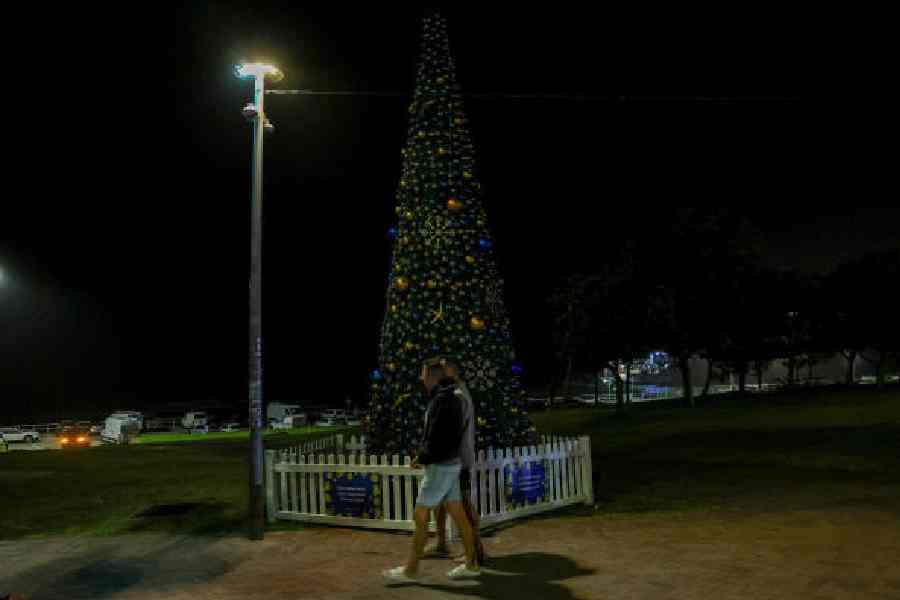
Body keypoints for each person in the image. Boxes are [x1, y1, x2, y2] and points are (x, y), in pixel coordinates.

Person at [383, 358, 481, 584]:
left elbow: (438, 437)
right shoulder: (451, 397)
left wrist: (423, 457)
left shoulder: (442, 400)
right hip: (451, 463)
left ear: (432, 376)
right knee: (458, 515)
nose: (421, 378)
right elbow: (446, 436)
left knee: (420, 516)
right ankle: (472, 565)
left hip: (441, 467)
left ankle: (411, 570)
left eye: (423, 374)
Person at [423, 358, 487, 566]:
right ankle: (443, 543)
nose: (440, 371)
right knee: (442, 502)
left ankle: (475, 550)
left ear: (452, 372)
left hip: (455, 458)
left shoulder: (457, 396)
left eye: (444, 368)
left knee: (462, 504)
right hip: (451, 457)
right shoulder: (452, 393)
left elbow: (451, 431)